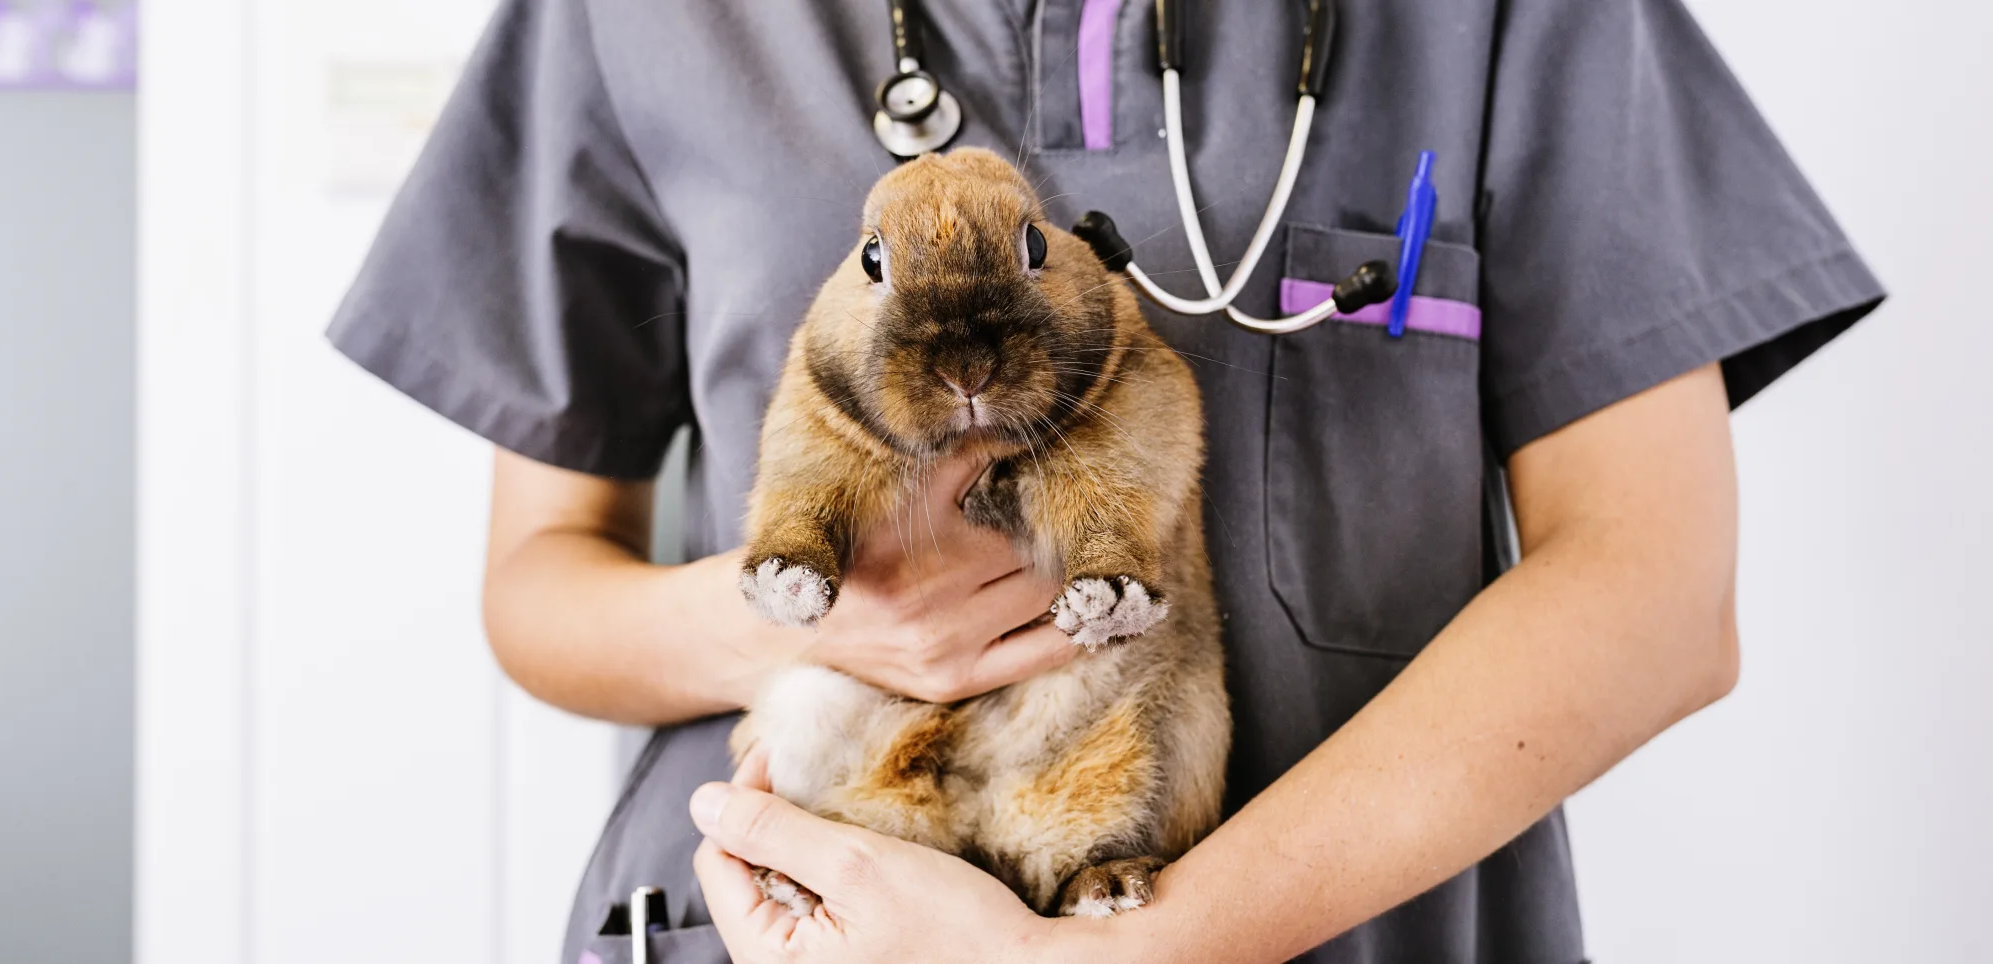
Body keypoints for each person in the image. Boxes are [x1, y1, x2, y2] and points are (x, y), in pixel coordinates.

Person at [325, 0, 1884, 960]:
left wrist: (1151, 955)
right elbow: (541, 587)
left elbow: (1661, 589)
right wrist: (815, 625)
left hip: (1323, 934)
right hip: (800, 927)